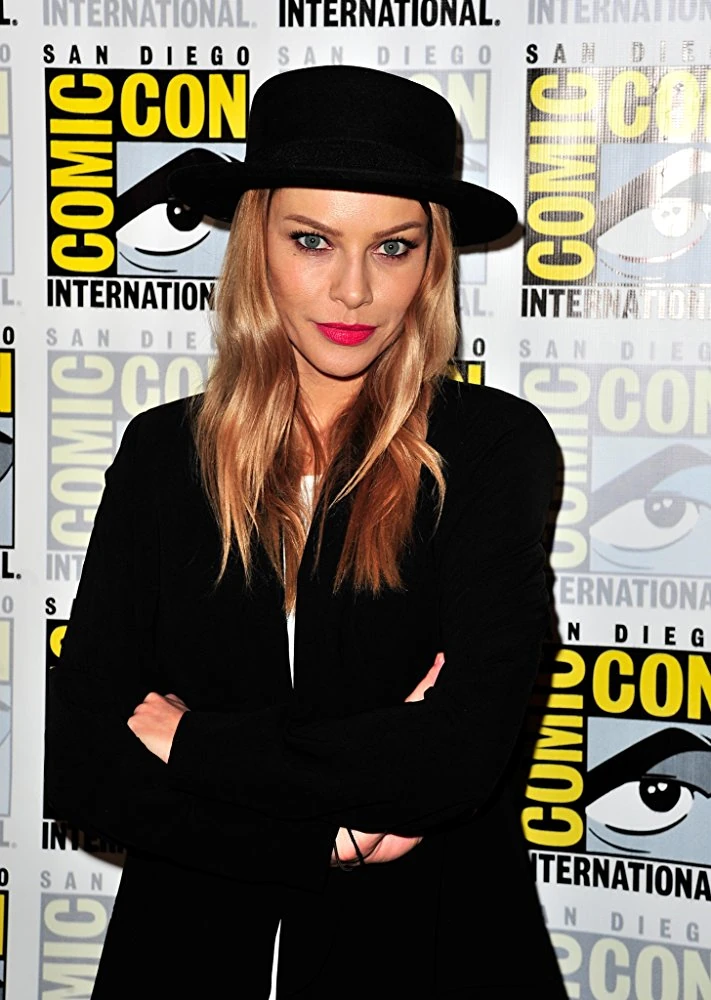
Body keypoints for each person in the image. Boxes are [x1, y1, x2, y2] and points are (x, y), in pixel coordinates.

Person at [45, 65, 566, 999]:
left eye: (393, 247)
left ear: (432, 262)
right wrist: (325, 836)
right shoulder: (165, 453)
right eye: (312, 240)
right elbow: (85, 766)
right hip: (185, 954)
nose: (353, 289)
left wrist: (195, 743)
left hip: (427, 952)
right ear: (257, 246)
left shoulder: (490, 447)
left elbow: (454, 760)